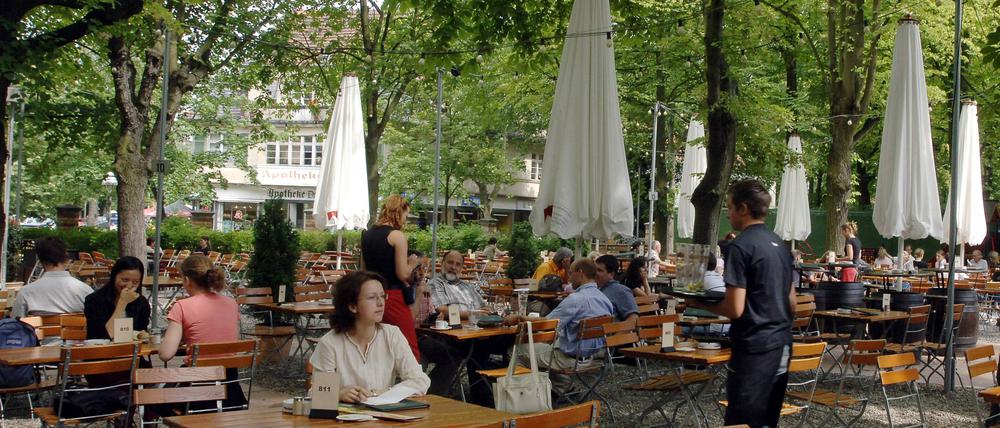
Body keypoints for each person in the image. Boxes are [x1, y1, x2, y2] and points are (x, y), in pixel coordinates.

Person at [687, 179, 795, 428]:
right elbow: (791, 303)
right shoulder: (780, 246)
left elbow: (735, 308)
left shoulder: (741, 246)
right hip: (781, 344)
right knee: (767, 420)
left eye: (729, 206)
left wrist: (698, 302)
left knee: (742, 421)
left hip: (754, 348)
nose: (727, 212)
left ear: (743, 208)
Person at [310, 271, 429, 404]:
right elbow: (316, 392)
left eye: (383, 296)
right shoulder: (330, 343)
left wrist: (379, 393)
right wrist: (339, 394)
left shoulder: (392, 334)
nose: (380, 303)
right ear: (352, 306)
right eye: (372, 298)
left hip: (384, 417)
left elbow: (420, 381)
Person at [510, 259, 613, 397]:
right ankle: (561, 386)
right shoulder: (605, 299)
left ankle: (523, 397)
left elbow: (547, 325)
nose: (569, 278)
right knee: (545, 347)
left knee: (516, 350)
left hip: (571, 359)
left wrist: (520, 318)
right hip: (594, 357)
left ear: (580, 273)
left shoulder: (576, 299)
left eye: (570, 273)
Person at [158, 254, 246, 410]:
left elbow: (165, 354)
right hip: (231, 389)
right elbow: (229, 340)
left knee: (154, 399)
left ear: (186, 280)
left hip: (195, 389)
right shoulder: (231, 304)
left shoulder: (182, 306)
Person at [419, 250, 505, 404]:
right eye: (450, 263)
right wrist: (474, 313)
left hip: (475, 332)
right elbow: (442, 310)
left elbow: (485, 307)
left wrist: (483, 313)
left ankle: (496, 392)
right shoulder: (435, 284)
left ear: (462, 268)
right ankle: (482, 397)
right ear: (442, 263)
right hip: (451, 335)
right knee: (478, 348)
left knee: (501, 342)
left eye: (458, 264)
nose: (453, 267)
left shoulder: (467, 286)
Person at [361, 194, 420, 359]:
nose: (405, 220)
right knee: (408, 346)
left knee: (376, 346)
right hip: (392, 296)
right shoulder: (397, 236)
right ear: (398, 212)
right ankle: (413, 382)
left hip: (369, 296)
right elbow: (402, 274)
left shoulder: (366, 235)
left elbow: (362, 271)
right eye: (405, 215)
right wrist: (412, 264)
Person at [11, 237, 92, 318]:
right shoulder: (85, 290)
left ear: (39, 260)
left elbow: (16, 324)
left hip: (36, 330)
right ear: (66, 258)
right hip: (76, 330)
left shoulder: (26, 292)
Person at [84, 256, 151, 340]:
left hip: (132, 350)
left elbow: (141, 334)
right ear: (114, 277)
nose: (129, 286)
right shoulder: (94, 300)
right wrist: (122, 303)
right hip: (102, 350)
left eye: (135, 282)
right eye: (125, 280)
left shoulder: (141, 303)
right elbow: (101, 338)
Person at [595, 255, 638, 322]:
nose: (595, 273)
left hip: (611, 331)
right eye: (594, 269)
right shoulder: (594, 289)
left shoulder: (621, 291)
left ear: (611, 274)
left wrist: (620, 332)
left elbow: (633, 317)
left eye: (599, 270)